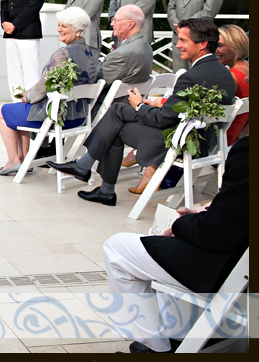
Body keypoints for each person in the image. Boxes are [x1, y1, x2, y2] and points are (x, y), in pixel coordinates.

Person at [49, 18, 236, 205]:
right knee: (118, 110)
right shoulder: (224, 73)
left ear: (202, 44)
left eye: (183, 41)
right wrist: (159, 105)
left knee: (115, 129)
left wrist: (139, 105)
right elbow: (182, 109)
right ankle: (86, 169)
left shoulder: (191, 76)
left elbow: (162, 120)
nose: (178, 45)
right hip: (204, 137)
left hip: (176, 140)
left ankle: (97, 181)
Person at [102, 135, 248, 353]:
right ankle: (179, 332)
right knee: (158, 237)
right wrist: (211, 210)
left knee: (117, 248)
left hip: (233, 270)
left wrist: (184, 224)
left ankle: (156, 347)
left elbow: (217, 232)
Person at [0, 7, 97, 175]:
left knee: (3, 112)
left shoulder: (63, 54)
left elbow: (43, 87)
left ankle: (14, 159)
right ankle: (23, 158)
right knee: (17, 111)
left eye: (64, 26)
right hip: (79, 116)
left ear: (78, 31)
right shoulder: (90, 52)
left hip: (58, 116)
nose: (59, 29)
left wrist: (27, 97)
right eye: (59, 25)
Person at [0, 0, 48, 93]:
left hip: (27, 30)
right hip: (10, 31)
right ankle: (16, 104)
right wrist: (4, 22)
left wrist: (15, 24)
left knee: (30, 73)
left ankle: (30, 108)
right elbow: (5, 1)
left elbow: (34, 4)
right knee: (14, 72)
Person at [91, 5, 154, 113]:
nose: (112, 24)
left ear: (130, 24)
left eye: (116, 20)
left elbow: (95, 84)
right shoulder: (146, 47)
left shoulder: (121, 54)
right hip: (129, 108)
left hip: (109, 111)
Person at [217, 24, 248, 145]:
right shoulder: (247, 69)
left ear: (235, 47)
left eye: (220, 45)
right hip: (241, 133)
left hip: (227, 136)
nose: (215, 50)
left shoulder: (231, 76)